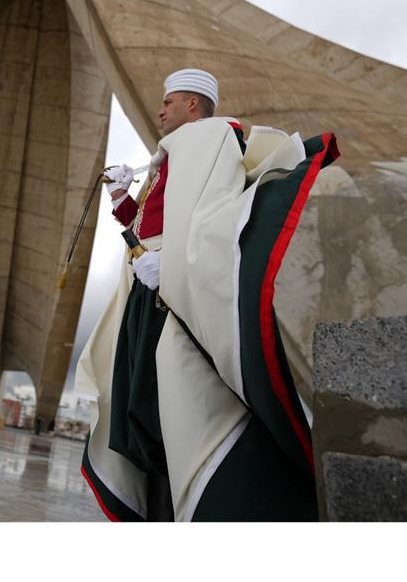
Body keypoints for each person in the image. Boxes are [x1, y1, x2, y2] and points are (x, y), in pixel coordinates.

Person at [77, 68, 339, 522]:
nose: (160, 110)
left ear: (193, 104)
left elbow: (212, 212)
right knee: (139, 400)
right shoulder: (169, 155)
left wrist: (170, 266)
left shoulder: (213, 136)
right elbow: (143, 224)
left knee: (168, 399)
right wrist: (123, 193)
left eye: (169, 101)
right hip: (148, 285)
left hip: (171, 291)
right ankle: (163, 505)